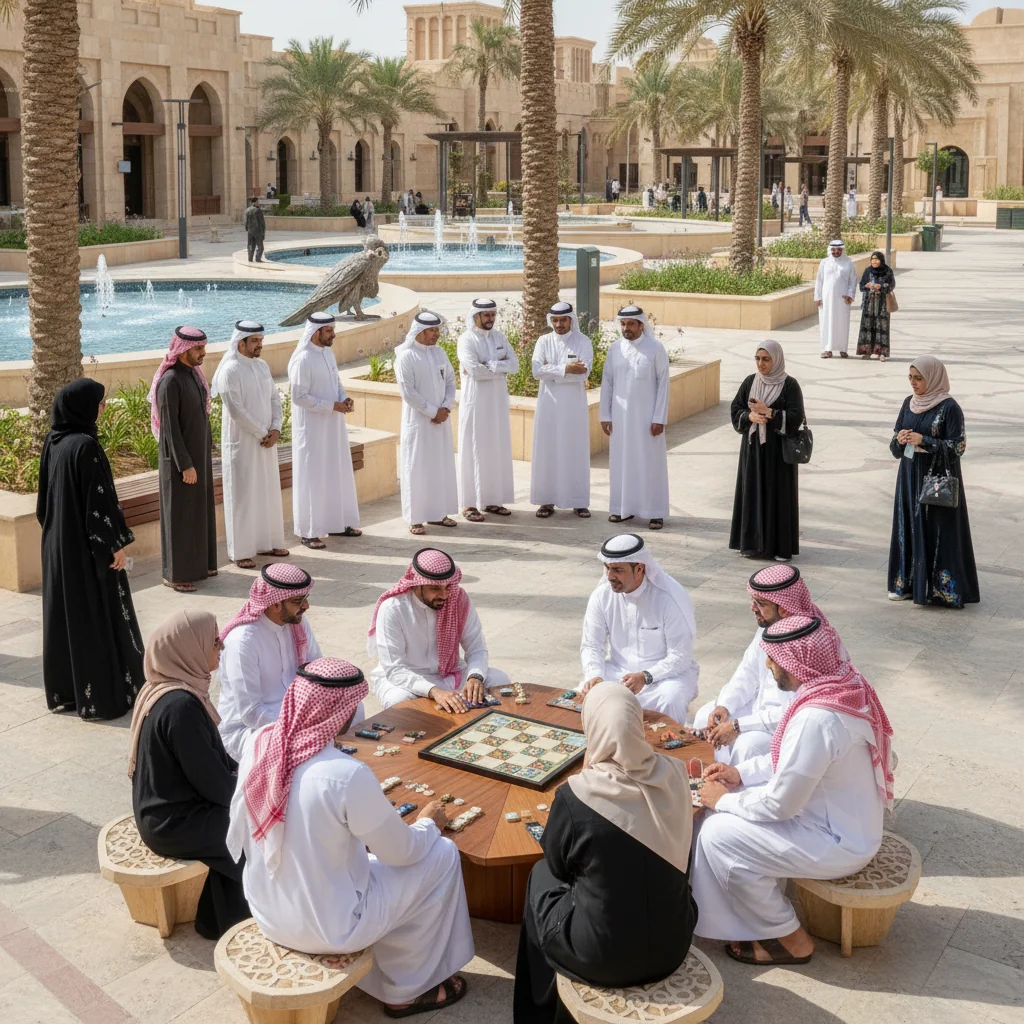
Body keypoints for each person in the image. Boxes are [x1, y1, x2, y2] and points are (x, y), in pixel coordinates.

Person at [227, 658, 474, 1015]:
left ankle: (384, 972)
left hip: (268, 910)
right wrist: (428, 823)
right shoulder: (345, 774)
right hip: (329, 928)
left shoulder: (260, 744)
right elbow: (402, 853)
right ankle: (407, 988)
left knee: (365, 865)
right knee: (442, 854)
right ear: (341, 713)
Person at [692, 615, 893, 966]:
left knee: (717, 833)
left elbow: (780, 805)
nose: (768, 665)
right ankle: (749, 915)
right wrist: (741, 773)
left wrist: (725, 800)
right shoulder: (837, 687)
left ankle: (790, 938)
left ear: (797, 663)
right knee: (723, 817)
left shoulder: (818, 718)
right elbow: (793, 761)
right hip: (842, 822)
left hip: (837, 840)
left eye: (774, 659)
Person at [513, 682, 697, 1024]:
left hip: (599, 958)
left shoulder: (576, 795)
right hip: (674, 946)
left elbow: (557, 865)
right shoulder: (675, 774)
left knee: (540, 875)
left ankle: (538, 1006)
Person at [129, 610, 249, 939]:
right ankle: (234, 922)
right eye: (213, 642)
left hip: (170, 809)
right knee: (252, 831)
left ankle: (218, 920)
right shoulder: (180, 707)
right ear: (188, 649)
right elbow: (216, 787)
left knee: (243, 821)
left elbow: (212, 765)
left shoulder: (174, 689)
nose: (221, 647)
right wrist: (254, 791)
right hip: (170, 823)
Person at [37, 379, 144, 719]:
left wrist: (60, 538)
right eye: (99, 402)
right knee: (98, 615)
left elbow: (43, 506)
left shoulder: (53, 443)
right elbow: (97, 505)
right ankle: (106, 694)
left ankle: (69, 693)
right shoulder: (86, 446)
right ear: (84, 407)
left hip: (57, 547)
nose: (103, 408)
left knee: (68, 616)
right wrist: (113, 547)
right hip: (86, 551)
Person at [691, 565, 844, 765]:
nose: (752, 608)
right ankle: (707, 783)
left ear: (783, 607)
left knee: (748, 746)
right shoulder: (769, 625)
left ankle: (736, 790)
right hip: (759, 708)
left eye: (760, 603)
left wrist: (738, 726)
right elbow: (747, 672)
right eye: (753, 601)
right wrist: (725, 705)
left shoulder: (808, 641)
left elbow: (800, 706)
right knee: (706, 716)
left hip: (787, 721)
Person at [368, 548, 511, 711]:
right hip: (407, 679)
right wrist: (435, 692)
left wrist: (475, 677)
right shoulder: (393, 608)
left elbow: (476, 648)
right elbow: (394, 669)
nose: (444, 595)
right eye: (435, 588)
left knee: (499, 679)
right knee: (398, 702)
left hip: (451, 674)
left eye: (448, 587)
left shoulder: (459, 600)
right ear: (417, 584)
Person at [887, 356, 979, 607]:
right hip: (908, 476)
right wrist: (902, 439)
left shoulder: (949, 407)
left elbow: (957, 447)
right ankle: (905, 584)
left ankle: (941, 590)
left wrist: (924, 440)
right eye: (910, 378)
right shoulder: (909, 403)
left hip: (937, 479)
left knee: (937, 531)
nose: (913, 383)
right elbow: (894, 446)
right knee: (909, 526)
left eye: (919, 378)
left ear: (933, 378)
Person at [579, 534, 699, 724]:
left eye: (618, 570)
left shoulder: (668, 599)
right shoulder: (602, 596)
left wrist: (646, 676)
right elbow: (592, 645)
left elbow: (680, 657)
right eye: (607, 568)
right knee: (583, 696)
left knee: (671, 699)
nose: (610, 576)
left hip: (665, 677)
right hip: (618, 672)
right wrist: (595, 675)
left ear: (640, 569)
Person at [217, 563, 322, 761]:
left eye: (305, 599)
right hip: (249, 731)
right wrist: (301, 725)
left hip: (295, 714)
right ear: (275, 604)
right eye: (298, 601)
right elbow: (252, 713)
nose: (306, 606)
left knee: (352, 707)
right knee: (300, 746)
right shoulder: (243, 641)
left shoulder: (297, 623)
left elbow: (317, 669)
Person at [211, 320, 288, 569]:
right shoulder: (230, 371)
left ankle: (270, 542)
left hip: (267, 441)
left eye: (260, 341)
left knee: (267, 491)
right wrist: (262, 432)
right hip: (243, 443)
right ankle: (241, 551)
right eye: (254, 341)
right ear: (240, 343)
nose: (259, 345)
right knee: (243, 495)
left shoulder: (262, 366)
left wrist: (276, 428)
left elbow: (275, 398)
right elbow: (236, 410)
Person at [151, 326, 217, 593]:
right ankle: (175, 575)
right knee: (179, 516)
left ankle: (201, 566)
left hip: (197, 457)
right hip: (180, 464)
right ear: (182, 349)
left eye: (203, 347)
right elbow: (170, 429)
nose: (203, 353)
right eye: (198, 349)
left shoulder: (192, 375)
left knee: (198, 512)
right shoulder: (170, 381)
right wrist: (185, 464)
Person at [288, 311, 361, 550]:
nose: (333, 335)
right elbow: (299, 397)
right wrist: (332, 406)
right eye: (329, 331)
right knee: (313, 476)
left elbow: (336, 382)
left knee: (336, 471)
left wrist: (344, 398)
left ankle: (337, 523)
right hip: (312, 429)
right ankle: (309, 532)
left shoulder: (327, 353)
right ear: (315, 332)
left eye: (332, 330)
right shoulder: (302, 359)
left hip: (333, 425)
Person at [729, 341, 805, 561]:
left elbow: (795, 417)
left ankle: (779, 548)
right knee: (751, 492)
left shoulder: (790, 385)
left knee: (777, 494)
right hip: (752, 451)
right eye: (758, 359)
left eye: (766, 359)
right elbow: (736, 410)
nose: (761, 364)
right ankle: (751, 545)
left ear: (776, 360)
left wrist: (769, 412)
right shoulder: (750, 382)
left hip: (778, 455)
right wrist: (749, 416)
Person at [600, 306, 670, 530]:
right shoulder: (615, 349)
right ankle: (623, 509)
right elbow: (607, 382)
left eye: (630, 323)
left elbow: (664, 385)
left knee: (650, 463)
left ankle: (655, 512)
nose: (626, 328)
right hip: (620, 419)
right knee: (622, 463)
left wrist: (659, 417)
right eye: (623, 323)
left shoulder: (655, 349)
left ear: (641, 325)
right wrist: (605, 414)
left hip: (647, 419)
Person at [395, 310, 459, 535]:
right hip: (419, 422)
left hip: (441, 420)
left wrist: (446, 407)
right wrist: (433, 412)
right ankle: (415, 518)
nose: (437, 334)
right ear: (420, 332)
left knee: (439, 466)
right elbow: (408, 392)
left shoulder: (440, 353)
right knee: (417, 468)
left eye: (437, 330)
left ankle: (438, 514)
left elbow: (450, 380)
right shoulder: (406, 356)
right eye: (432, 330)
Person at [457, 297, 519, 522]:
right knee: (473, 450)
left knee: (495, 449)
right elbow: (474, 370)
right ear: (476, 317)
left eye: (493, 314)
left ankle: (492, 500)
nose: (490, 318)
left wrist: (492, 365)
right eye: (486, 315)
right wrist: (499, 367)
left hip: (497, 403)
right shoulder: (466, 340)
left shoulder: (499, 337)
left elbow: (515, 364)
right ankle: (469, 504)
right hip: (476, 403)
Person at [531, 300, 592, 519]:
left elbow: (584, 373)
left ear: (571, 320)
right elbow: (536, 371)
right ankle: (546, 501)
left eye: (563, 320)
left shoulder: (583, 341)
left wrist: (553, 372)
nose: (559, 324)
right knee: (548, 451)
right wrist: (566, 368)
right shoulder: (543, 341)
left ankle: (579, 501)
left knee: (574, 450)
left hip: (574, 407)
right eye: (555, 320)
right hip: (548, 405)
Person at [815, 240, 858, 359]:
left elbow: (853, 280)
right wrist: (817, 297)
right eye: (833, 250)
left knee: (842, 324)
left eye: (838, 250)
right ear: (830, 250)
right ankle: (827, 349)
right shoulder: (824, 263)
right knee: (826, 323)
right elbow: (819, 281)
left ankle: (843, 349)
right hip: (826, 299)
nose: (836, 252)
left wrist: (850, 295)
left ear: (842, 250)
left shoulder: (848, 263)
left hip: (843, 299)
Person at [856, 251, 896, 362]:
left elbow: (892, 285)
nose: (874, 261)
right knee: (868, 326)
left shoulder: (887, 271)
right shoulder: (868, 271)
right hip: (869, 303)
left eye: (877, 259)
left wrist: (881, 286)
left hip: (882, 304)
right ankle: (867, 351)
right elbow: (861, 286)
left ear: (881, 260)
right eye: (872, 259)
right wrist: (868, 286)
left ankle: (881, 353)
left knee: (881, 326)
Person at [243, 198, 266, 263]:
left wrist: (247, 229)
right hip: (257, 231)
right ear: (254, 202)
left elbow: (245, 221)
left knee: (250, 245)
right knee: (260, 247)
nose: (258, 203)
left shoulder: (247, 210)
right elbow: (262, 222)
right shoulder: (258, 210)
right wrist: (263, 232)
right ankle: (258, 258)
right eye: (257, 202)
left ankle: (250, 258)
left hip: (250, 231)